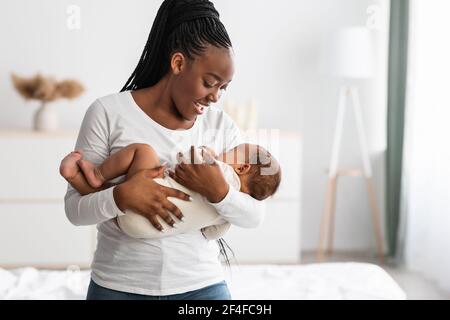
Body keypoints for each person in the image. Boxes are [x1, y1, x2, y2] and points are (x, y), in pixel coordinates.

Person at [64, 0, 267, 300]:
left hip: (202, 286)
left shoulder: (221, 126)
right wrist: (120, 196)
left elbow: (255, 214)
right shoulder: (108, 112)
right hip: (119, 286)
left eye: (224, 88)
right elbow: (74, 211)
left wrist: (220, 193)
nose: (216, 97)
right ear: (178, 63)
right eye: (210, 83)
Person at [60, 143, 281, 240]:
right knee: (121, 192)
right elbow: (210, 234)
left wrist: (207, 153)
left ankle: (96, 174)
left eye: (230, 151)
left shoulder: (220, 170)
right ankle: (75, 176)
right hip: (146, 229)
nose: (224, 151)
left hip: (138, 204)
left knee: (143, 151)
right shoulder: (228, 215)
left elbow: (185, 159)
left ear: (242, 167)